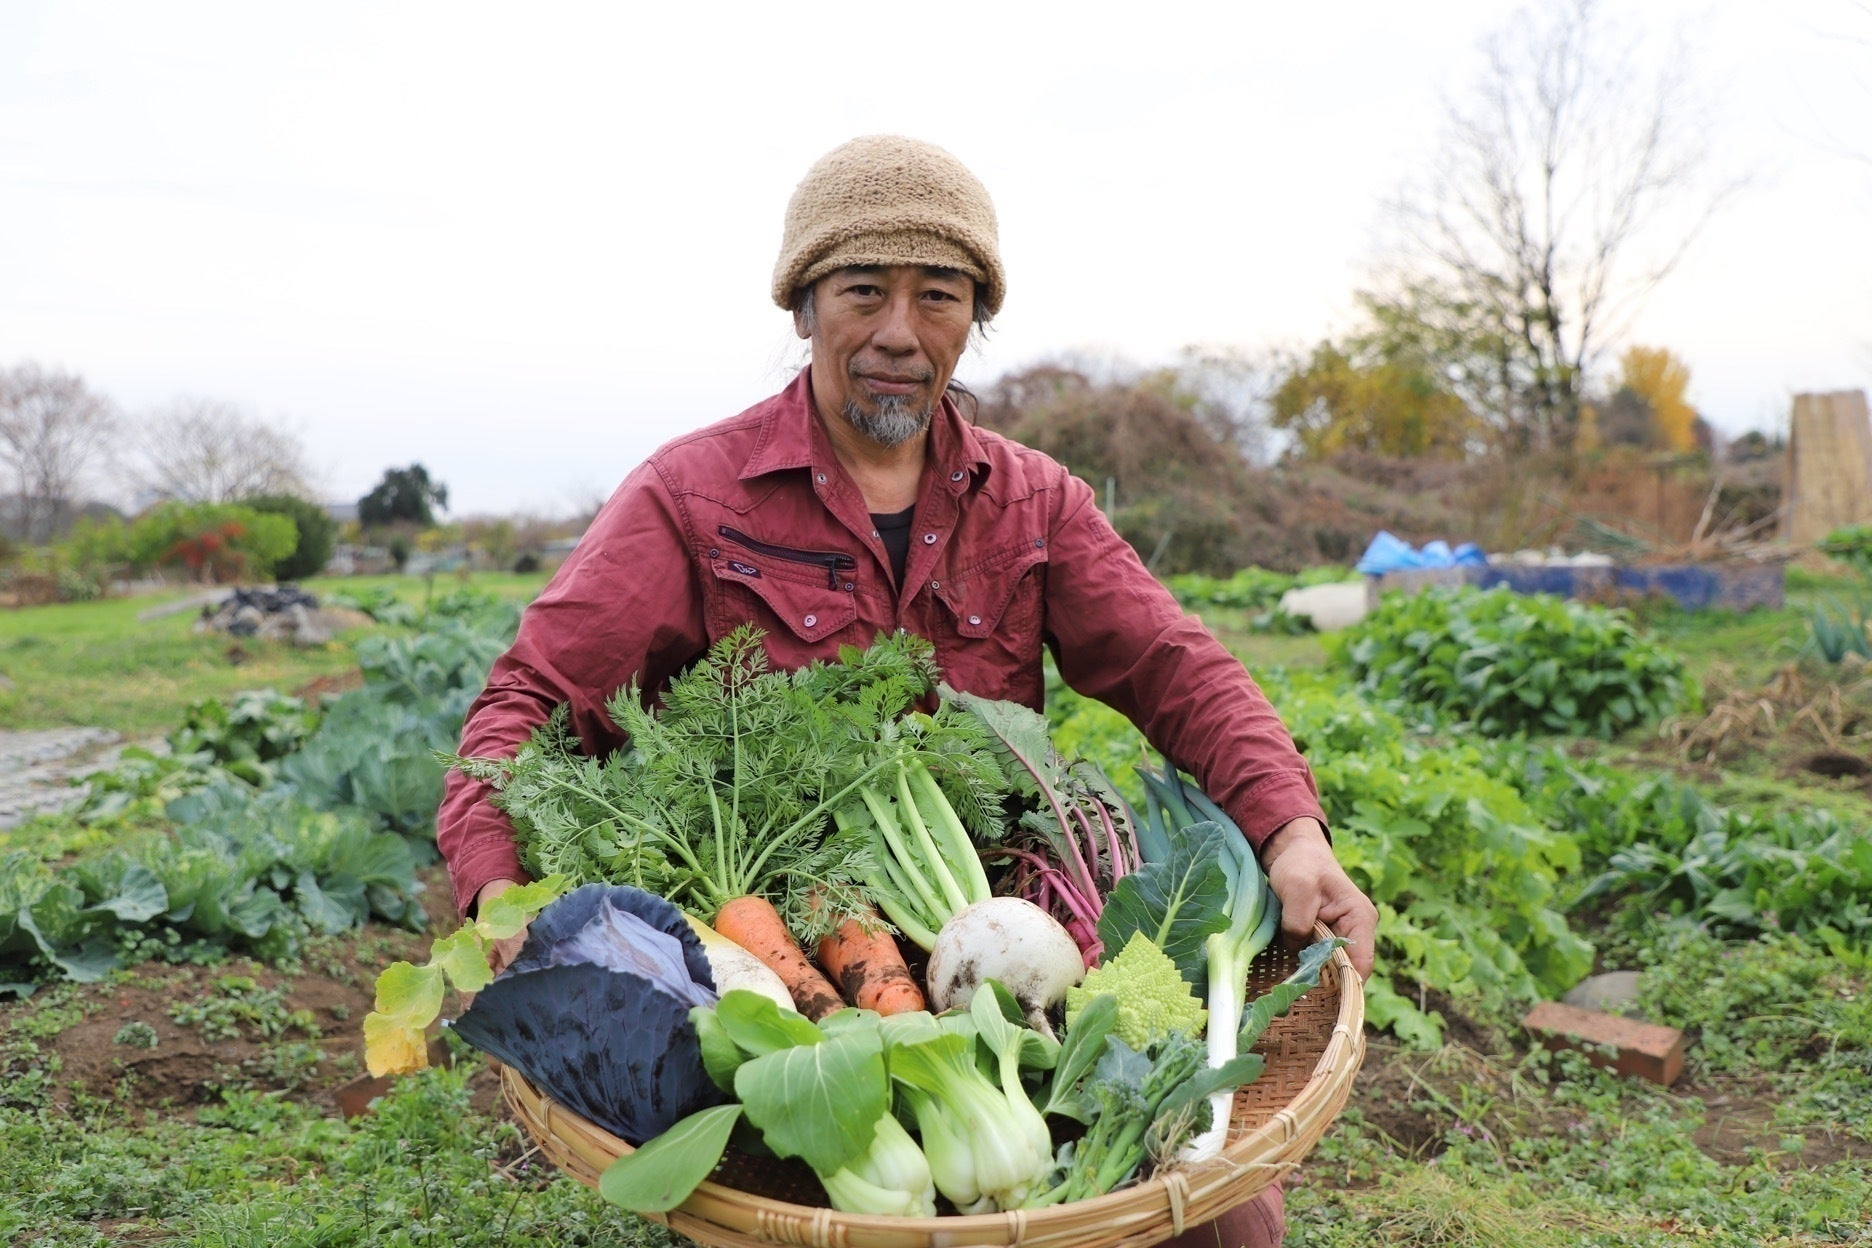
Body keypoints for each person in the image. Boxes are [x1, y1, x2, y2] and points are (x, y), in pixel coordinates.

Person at [437, 134, 1378, 1248]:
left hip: (1010, 947)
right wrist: (500, 906)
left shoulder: (1034, 503)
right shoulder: (692, 498)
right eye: (861, 291)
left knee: (1224, 1224)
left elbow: (1177, 667)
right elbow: (524, 713)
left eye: (938, 295)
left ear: (973, 318)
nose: (897, 332)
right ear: (802, 309)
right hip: (788, 980)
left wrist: (1293, 831)